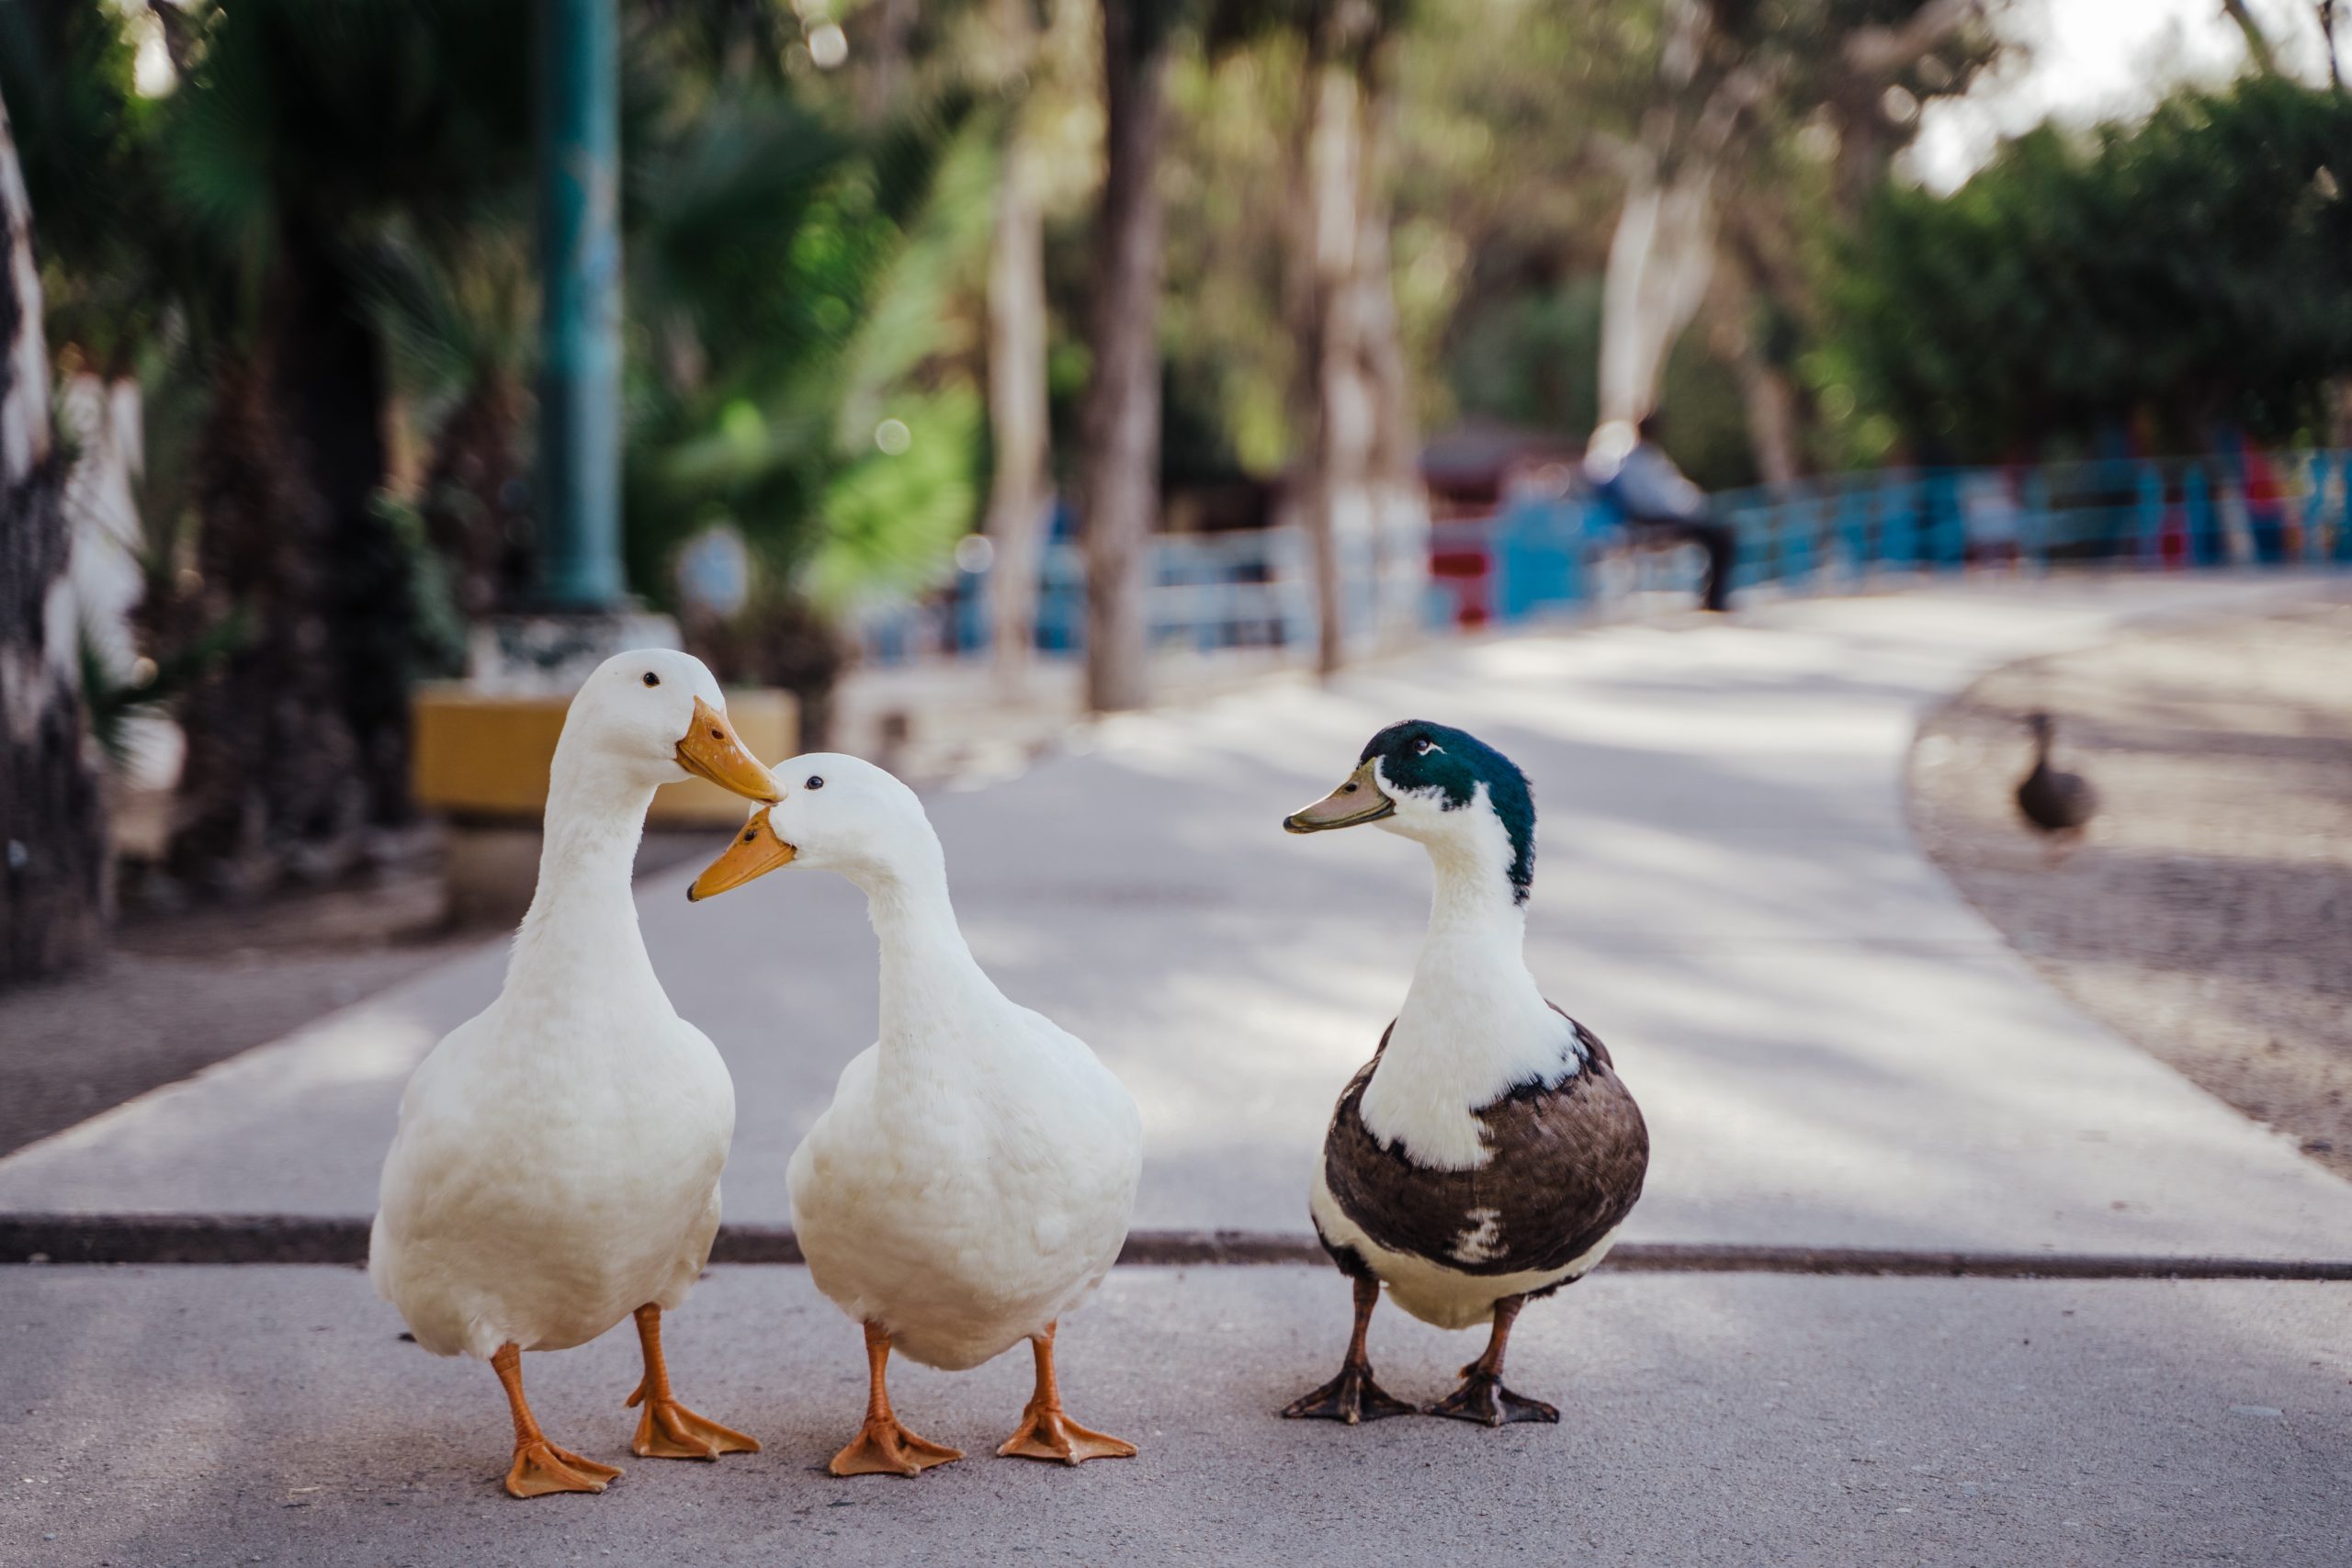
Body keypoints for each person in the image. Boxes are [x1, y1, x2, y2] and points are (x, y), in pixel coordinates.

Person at [1588, 412, 1736, 612]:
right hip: (1653, 521)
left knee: (1720, 535)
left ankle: (1713, 598)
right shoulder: (1631, 458)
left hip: (1665, 517)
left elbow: (1670, 492)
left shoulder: (1647, 456)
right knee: (1719, 539)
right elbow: (1652, 500)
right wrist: (1688, 510)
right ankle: (1714, 600)